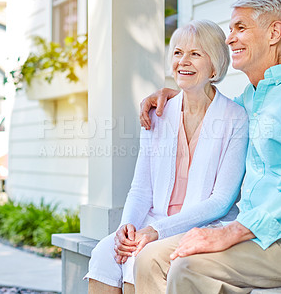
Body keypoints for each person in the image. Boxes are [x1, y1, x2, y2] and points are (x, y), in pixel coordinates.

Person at [135, 0, 281, 293]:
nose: (229, 38)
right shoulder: (250, 99)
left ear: (274, 33)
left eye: (240, 28)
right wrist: (177, 93)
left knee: (187, 266)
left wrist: (230, 233)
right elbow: (212, 108)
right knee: (149, 258)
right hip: (255, 236)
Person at [84, 19, 249, 294]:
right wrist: (128, 227)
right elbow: (140, 188)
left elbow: (221, 201)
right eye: (177, 52)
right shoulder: (157, 113)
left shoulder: (235, 117)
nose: (183, 61)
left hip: (201, 226)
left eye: (195, 54)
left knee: (138, 258)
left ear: (215, 65)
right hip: (152, 222)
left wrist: (156, 232)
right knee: (105, 252)